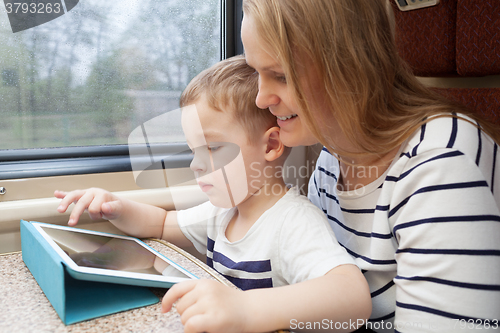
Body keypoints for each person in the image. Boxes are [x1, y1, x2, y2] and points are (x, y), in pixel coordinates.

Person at [56, 55, 371, 333]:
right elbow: (161, 224)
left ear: (272, 146)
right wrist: (113, 205)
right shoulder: (221, 213)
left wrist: (246, 310)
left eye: (214, 148)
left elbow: (352, 298)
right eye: (195, 151)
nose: (196, 164)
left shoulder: (293, 220)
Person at [240, 0, 500, 332]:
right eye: (255, 72)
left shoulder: (439, 160)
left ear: (348, 66)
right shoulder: (332, 157)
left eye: (280, 76)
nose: (261, 98)